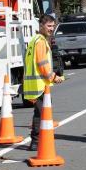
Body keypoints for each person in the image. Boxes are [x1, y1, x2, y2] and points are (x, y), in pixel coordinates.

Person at [23, 14, 65, 150]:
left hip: (35, 84)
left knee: (39, 113)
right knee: (43, 114)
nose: (51, 29)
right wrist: (53, 77)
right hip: (39, 85)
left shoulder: (34, 40)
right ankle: (37, 141)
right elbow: (42, 64)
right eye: (49, 26)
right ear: (41, 26)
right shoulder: (40, 41)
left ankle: (36, 141)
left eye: (53, 26)